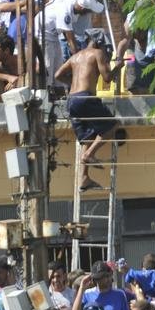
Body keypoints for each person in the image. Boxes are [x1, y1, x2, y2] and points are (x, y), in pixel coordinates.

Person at [56, 30, 124, 191]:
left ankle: (84, 178)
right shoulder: (97, 53)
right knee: (113, 126)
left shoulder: (75, 56)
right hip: (85, 98)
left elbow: (58, 75)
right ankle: (89, 154)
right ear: (99, 43)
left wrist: (73, 82)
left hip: (72, 100)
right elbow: (107, 78)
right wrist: (118, 67)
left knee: (88, 138)